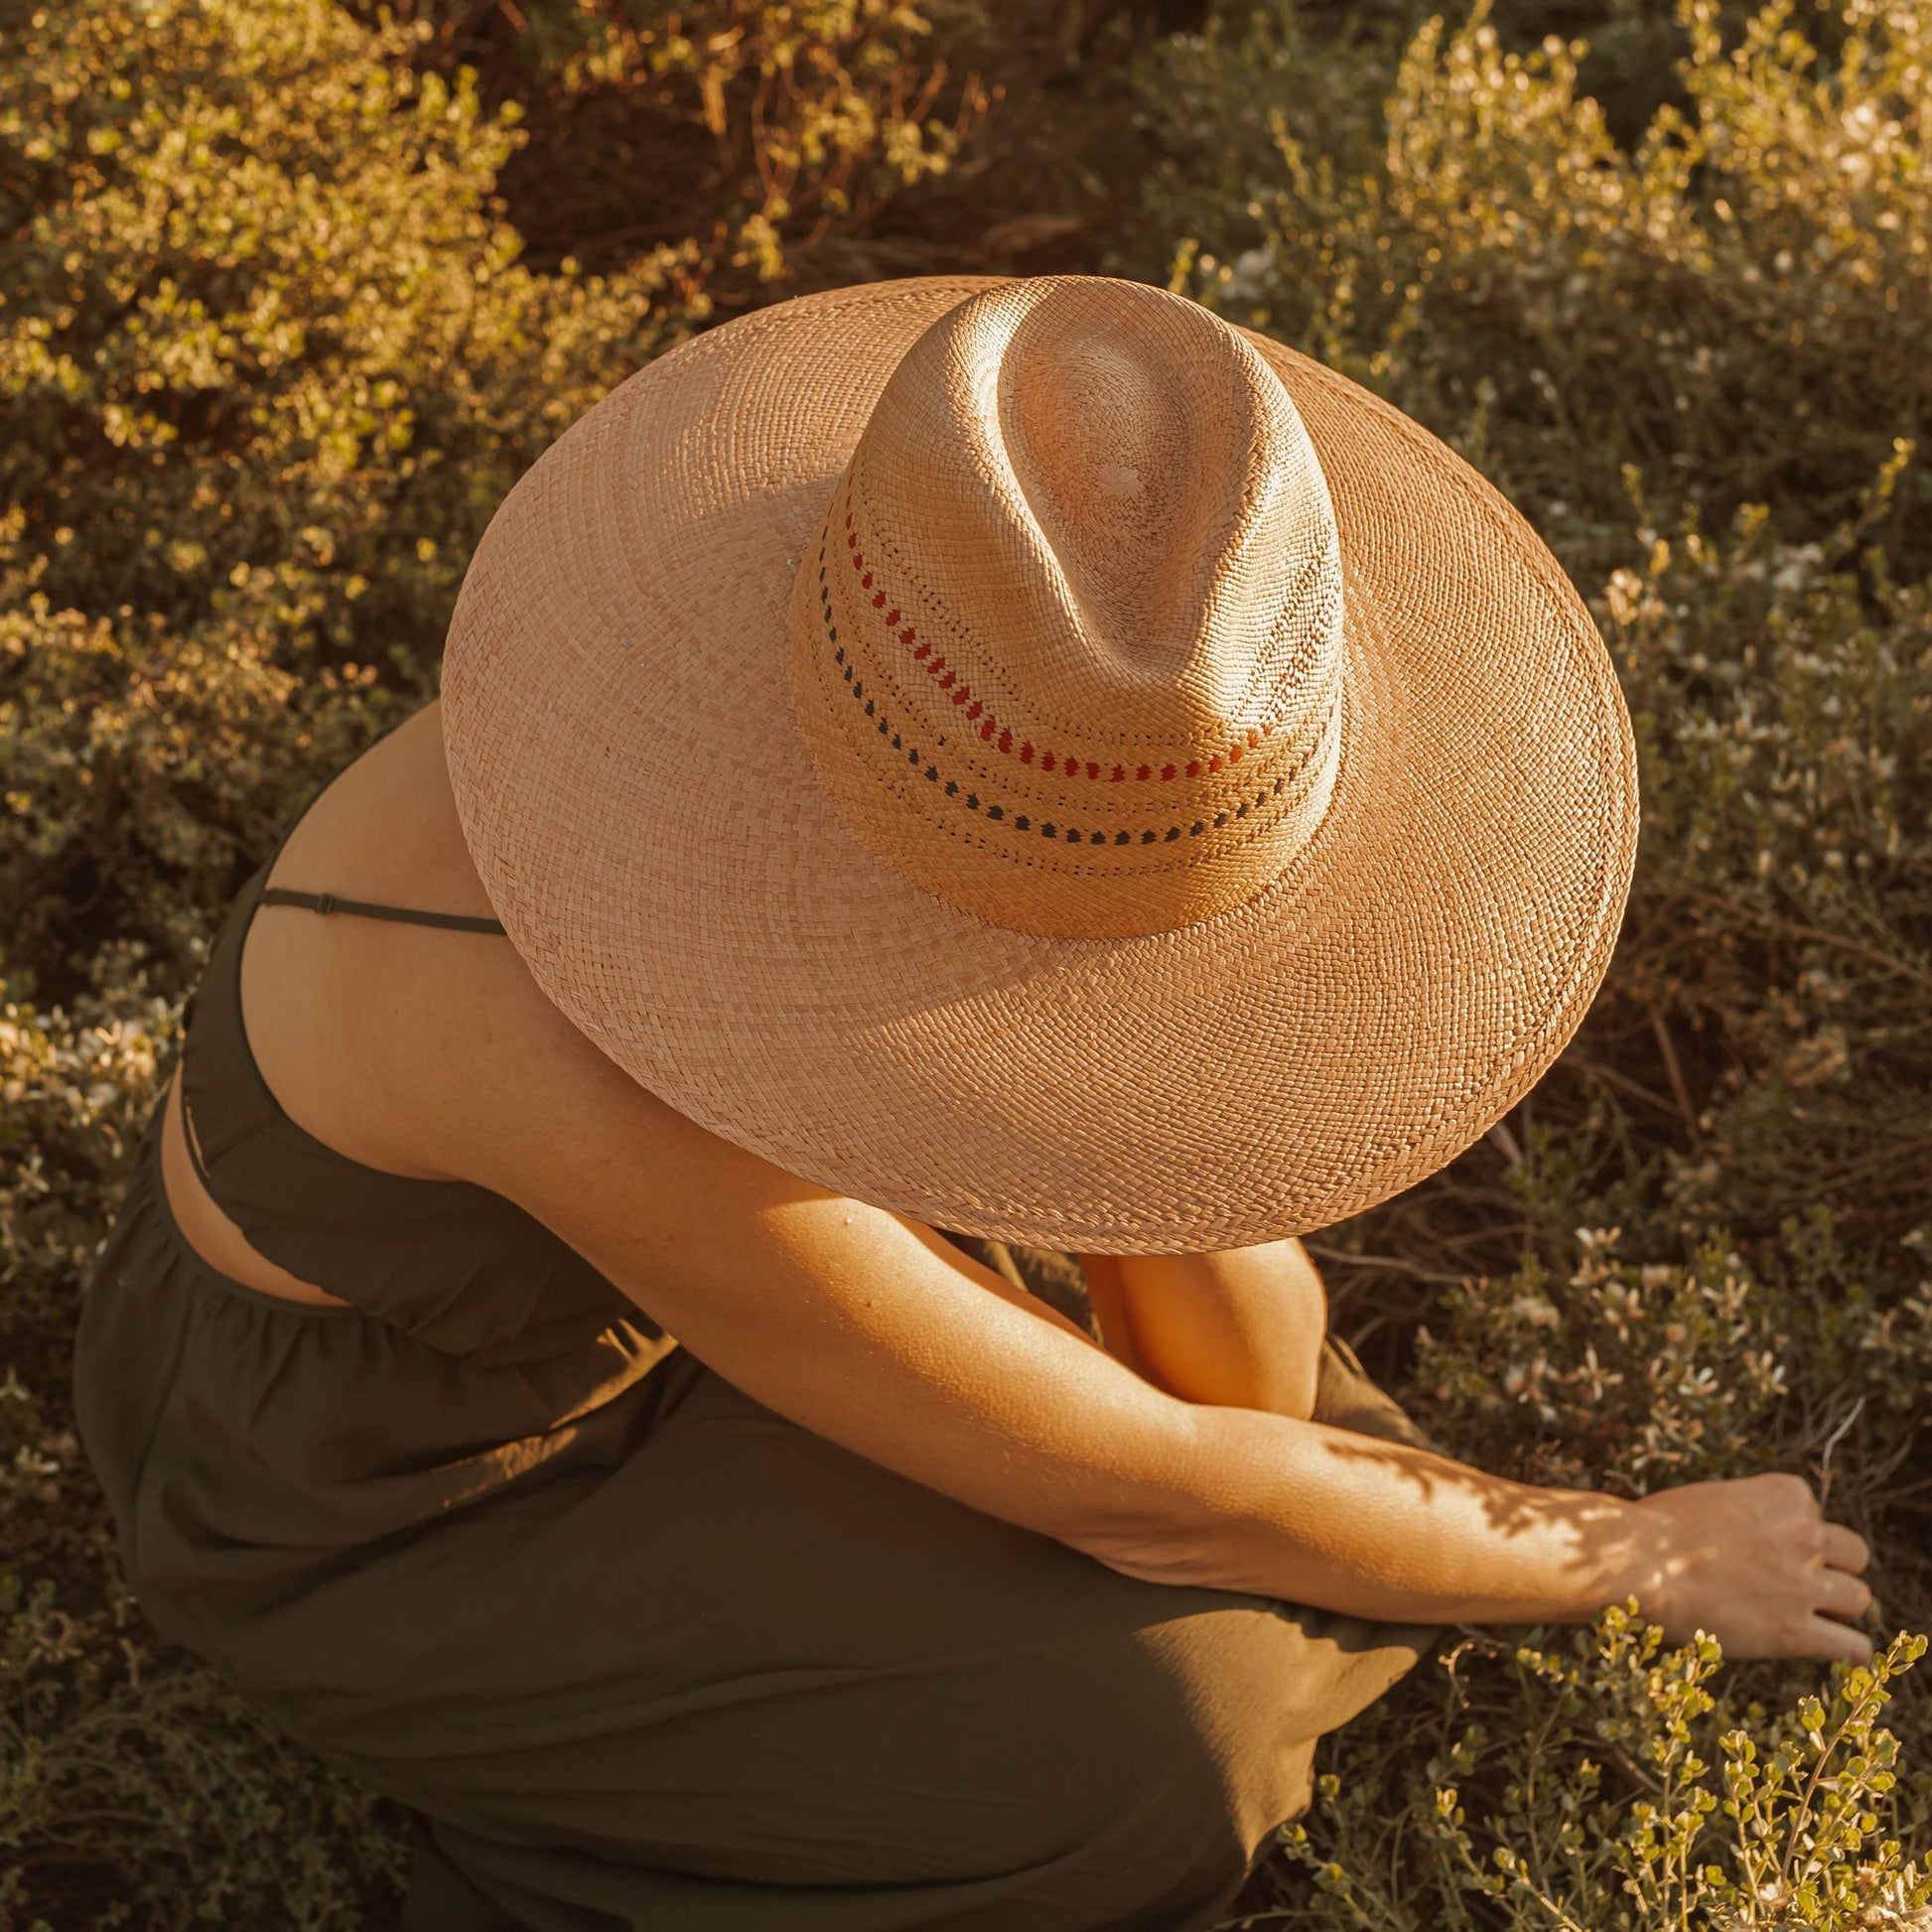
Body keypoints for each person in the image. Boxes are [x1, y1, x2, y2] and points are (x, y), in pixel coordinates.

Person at [72, 275, 1873, 1932]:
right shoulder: (560, 1005)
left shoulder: (922, 672)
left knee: (1305, 1460)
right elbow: (1157, 1487)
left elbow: (1229, 1380)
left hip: (672, 1294)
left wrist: (1126, 1003)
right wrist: (1624, 1552)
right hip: (406, 1475)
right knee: (1168, 1731)